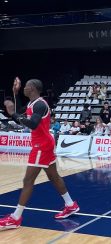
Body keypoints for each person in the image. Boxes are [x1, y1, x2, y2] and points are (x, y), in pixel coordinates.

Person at [0, 78, 79, 230]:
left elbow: (32, 124)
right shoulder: (31, 104)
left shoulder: (41, 104)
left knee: (28, 181)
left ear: (34, 88)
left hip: (41, 146)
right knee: (53, 176)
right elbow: (19, 113)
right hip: (44, 143)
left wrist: (12, 113)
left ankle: (15, 218)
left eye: (27, 86)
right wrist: (15, 94)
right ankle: (70, 205)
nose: (25, 88)